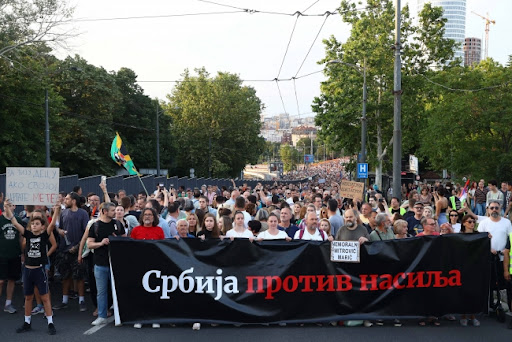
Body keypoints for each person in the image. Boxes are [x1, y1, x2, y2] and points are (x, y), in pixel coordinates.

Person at [5, 200, 60, 335]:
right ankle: (27, 322)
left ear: (42, 227)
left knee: (45, 297)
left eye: (37, 224)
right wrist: (7, 208)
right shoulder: (28, 234)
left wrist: (57, 209)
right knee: (28, 297)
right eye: (33, 224)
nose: (34, 226)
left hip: (39, 270)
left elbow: (52, 224)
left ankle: (50, 322)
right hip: (28, 270)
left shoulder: (44, 235)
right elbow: (15, 223)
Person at [86, 202, 125, 326]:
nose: (115, 212)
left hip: (116, 264)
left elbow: (125, 240)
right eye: (113, 210)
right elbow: (89, 244)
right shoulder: (95, 226)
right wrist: (101, 243)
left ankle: (121, 315)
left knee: (119, 291)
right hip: (100, 263)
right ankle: (102, 315)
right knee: (101, 292)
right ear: (104, 211)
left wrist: (117, 240)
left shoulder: (118, 224)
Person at [53, 191, 90, 312]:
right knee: (65, 276)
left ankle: (81, 300)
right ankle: (64, 300)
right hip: (64, 250)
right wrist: (59, 231)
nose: (65, 200)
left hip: (78, 250)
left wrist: (78, 246)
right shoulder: (63, 213)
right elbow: (59, 228)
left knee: (79, 277)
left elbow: (86, 232)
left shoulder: (83, 213)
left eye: (67, 199)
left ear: (74, 201)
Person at [477, 200, 512, 312]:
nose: (494, 210)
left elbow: (510, 238)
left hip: (503, 258)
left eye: (496, 208)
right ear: (488, 209)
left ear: (500, 208)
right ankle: (489, 305)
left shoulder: (506, 222)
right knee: (489, 283)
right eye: (492, 208)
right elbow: (479, 240)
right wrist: (489, 249)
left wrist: (505, 249)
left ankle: (507, 306)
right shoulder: (484, 223)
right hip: (489, 258)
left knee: (505, 283)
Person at [0, 200, 24, 314]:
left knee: (12, 279)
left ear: (14, 207)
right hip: (1, 255)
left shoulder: (18, 220)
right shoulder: (0, 219)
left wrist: (22, 252)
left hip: (14, 254)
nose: (8, 207)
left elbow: (20, 237)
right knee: (0, 281)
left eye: (10, 205)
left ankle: (8, 304)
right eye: (6, 205)